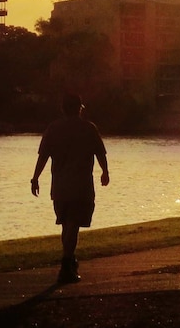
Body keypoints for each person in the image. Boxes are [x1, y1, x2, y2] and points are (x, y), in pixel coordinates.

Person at [31, 93, 110, 284]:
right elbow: (100, 152)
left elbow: (43, 156)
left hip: (59, 186)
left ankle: (70, 260)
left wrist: (35, 178)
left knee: (67, 224)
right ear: (79, 108)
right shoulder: (89, 128)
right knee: (73, 224)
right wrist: (105, 172)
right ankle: (66, 264)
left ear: (63, 108)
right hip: (81, 186)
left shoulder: (53, 129)